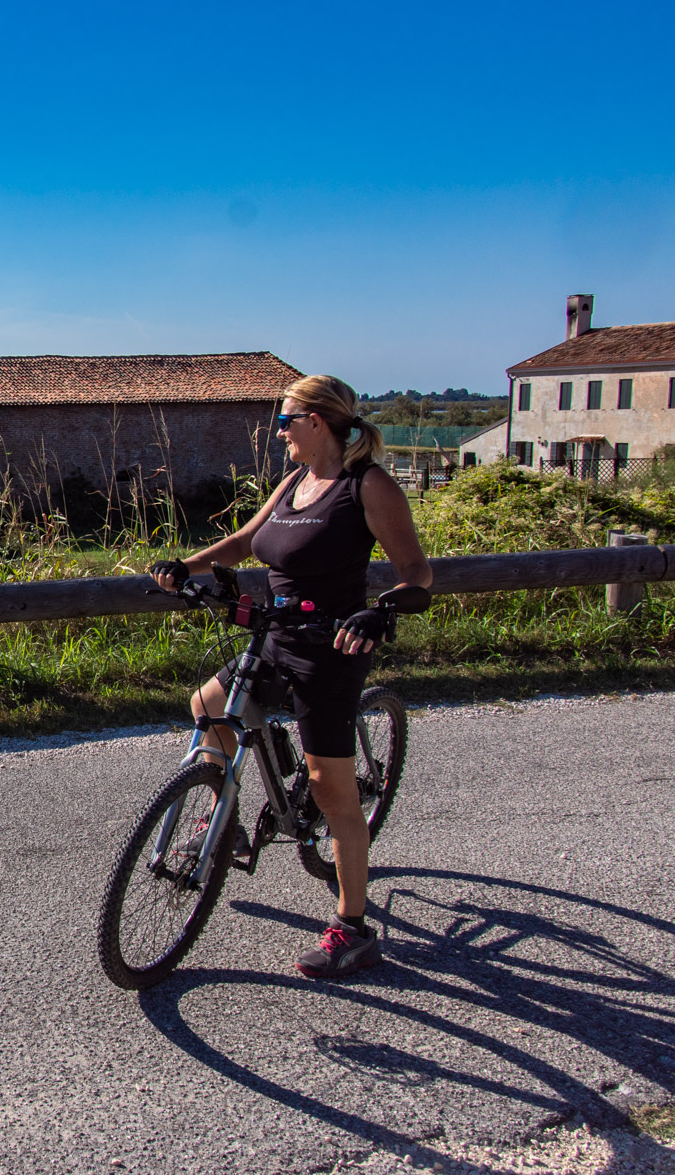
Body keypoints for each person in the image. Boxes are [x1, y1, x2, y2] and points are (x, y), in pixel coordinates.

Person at [149, 374, 432, 979]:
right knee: (208, 706)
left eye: (284, 421)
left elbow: (416, 573)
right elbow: (247, 542)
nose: (278, 432)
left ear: (317, 421)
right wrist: (185, 564)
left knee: (331, 790)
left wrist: (381, 611)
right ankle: (223, 824)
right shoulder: (296, 482)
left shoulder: (367, 486)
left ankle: (353, 928)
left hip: (331, 648)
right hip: (273, 637)